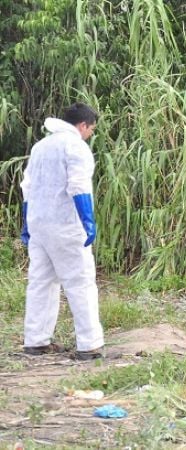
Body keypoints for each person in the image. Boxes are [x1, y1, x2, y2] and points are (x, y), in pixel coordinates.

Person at [20, 102, 104, 360]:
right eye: (91, 129)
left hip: (39, 224)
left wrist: (26, 224)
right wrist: (88, 221)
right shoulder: (76, 146)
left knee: (40, 283)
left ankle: (35, 341)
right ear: (83, 125)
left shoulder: (40, 147)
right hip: (66, 226)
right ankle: (89, 345)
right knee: (80, 283)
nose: (90, 133)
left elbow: (28, 187)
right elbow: (79, 186)